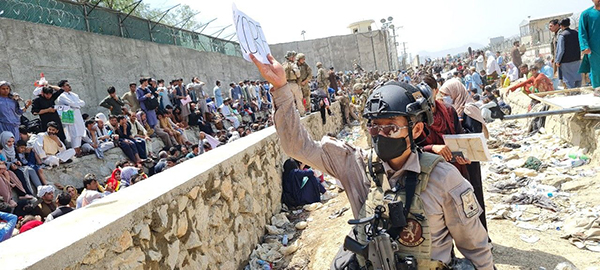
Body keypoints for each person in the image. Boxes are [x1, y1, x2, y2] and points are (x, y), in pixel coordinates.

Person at [250, 53, 493, 269]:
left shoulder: (445, 179)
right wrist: (281, 88)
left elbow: (476, 248)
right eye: (375, 127)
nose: (381, 135)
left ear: (416, 130)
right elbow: (296, 146)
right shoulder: (356, 165)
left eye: (391, 128)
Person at [56, 80, 86, 156]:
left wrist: (77, 104)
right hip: (68, 114)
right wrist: (77, 104)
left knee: (79, 131)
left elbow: (82, 103)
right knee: (73, 133)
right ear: (62, 87)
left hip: (77, 113)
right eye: (67, 85)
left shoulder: (74, 95)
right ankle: (76, 151)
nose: (69, 86)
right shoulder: (62, 96)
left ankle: (79, 149)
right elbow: (71, 103)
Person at [556, 18, 583, 89]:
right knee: (577, 76)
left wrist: (558, 60)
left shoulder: (562, 35)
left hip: (566, 61)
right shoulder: (576, 33)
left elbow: (561, 50)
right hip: (576, 58)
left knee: (568, 79)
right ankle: (578, 91)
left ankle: (573, 93)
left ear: (561, 26)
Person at [579, 1, 600, 88]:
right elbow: (582, 32)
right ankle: (597, 88)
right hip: (594, 47)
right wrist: (584, 46)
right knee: (596, 69)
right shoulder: (586, 14)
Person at [282, 51, 305, 116]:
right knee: (299, 98)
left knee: (290, 101)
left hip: (286, 84)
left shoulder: (283, 65)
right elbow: (297, 73)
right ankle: (302, 113)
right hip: (294, 83)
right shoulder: (293, 64)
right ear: (291, 57)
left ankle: (293, 115)